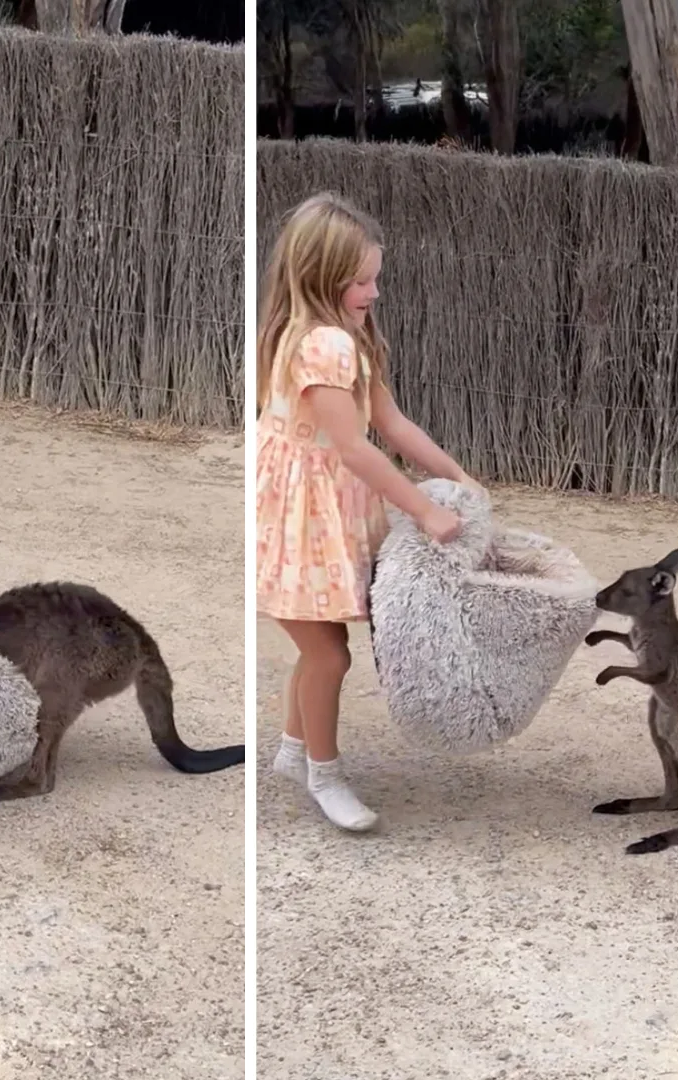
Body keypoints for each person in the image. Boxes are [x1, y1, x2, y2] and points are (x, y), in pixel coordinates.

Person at [255, 191, 478, 832]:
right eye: (361, 281)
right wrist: (424, 511)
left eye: (375, 278)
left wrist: (456, 476)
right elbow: (353, 448)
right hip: (304, 516)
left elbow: (391, 421)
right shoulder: (321, 345)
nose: (373, 292)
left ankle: (295, 752)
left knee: (319, 639)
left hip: (317, 508)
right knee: (328, 654)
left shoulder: (336, 336)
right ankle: (324, 773)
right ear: (323, 278)